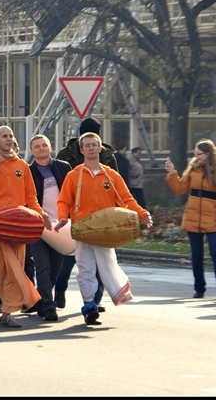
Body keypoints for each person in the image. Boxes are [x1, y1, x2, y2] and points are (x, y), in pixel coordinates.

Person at [55, 132, 153, 326]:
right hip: (82, 229)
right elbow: (64, 200)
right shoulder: (74, 176)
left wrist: (142, 214)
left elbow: (127, 200)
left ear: (100, 148)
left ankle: (100, 299)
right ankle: (89, 306)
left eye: (94, 145)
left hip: (107, 230)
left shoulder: (111, 175)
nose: (91, 148)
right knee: (85, 268)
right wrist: (62, 218)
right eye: (87, 145)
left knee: (107, 266)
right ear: (82, 150)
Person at [0, 125, 51, 328]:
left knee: (15, 270)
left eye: (11, 135)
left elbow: (31, 197)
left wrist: (40, 214)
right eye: (4, 136)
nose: (8, 139)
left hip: (18, 226)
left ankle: (7, 313)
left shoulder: (22, 166)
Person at [55, 117, 116, 311]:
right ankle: (61, 289)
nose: (91, 147)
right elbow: (62, 185)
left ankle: (94, 301)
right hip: (77, 214)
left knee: (100, 262)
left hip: (103, 216)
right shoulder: (66, 153)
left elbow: (117, 185)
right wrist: (64, 213)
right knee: (71, 257)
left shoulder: (106, 155)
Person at [165, 139, 216, 300]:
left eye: (199, 154)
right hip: (194, 216)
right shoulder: (193, 168)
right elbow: (181, 188)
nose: (196, 157)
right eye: (195, 154)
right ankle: (199, 288)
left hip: (213, 217)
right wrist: (171, 174)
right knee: (196, 255)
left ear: (208, 154)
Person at [28, 134, 72, 322]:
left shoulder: (63, 167)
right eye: (37, 146)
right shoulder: (28, 171)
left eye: (44, 145)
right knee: (42, 266)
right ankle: (48, 304)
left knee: (56, 266)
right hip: (38, 225)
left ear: (50, 147)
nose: (41, 148)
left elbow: (71, 194)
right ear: (31, 151)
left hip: (61, 225)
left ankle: (42, 297)